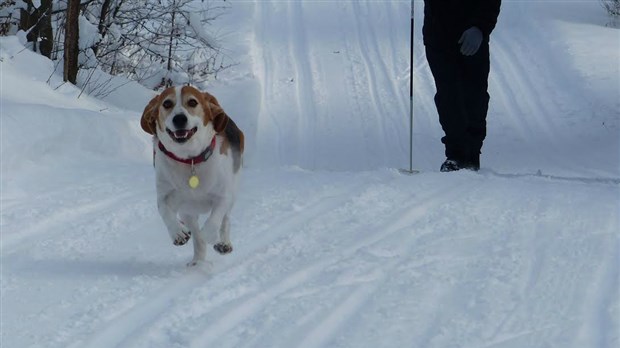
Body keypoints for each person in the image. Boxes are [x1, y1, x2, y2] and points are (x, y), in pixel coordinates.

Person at [423, 0, 501, 172]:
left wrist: (480, 27)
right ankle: (455, 155)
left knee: (475, 95)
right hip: (438, 35)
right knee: (448, 95)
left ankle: (472, 153)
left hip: (472, 34)